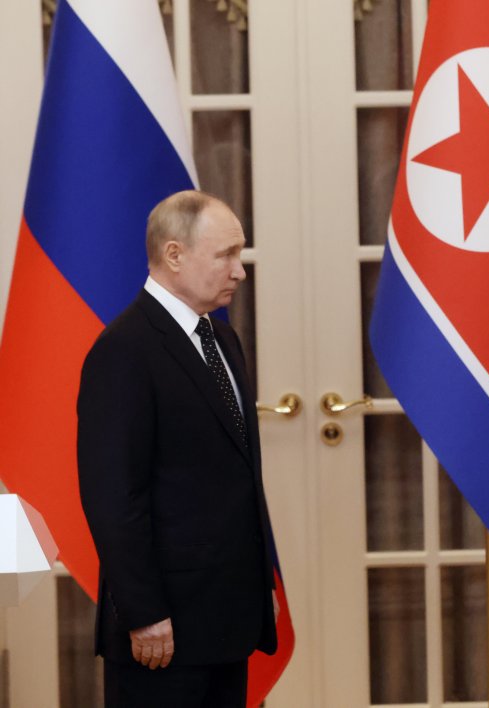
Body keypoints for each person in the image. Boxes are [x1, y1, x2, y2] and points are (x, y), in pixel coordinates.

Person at [77, 191, 277, 707]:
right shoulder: (124, 350)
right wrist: (143, 613)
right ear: (173, 255)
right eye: (226, 255)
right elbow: (113, 498)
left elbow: (237, 476)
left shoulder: (222, 340)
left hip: (226, 619)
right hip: (162, 632)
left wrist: (261, 581)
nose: (240, 271)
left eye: (241, 253)